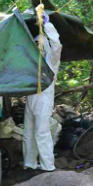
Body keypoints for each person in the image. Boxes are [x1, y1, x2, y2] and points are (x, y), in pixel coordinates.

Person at [22, 14, 62, 171]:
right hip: (31, 100)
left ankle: (48, 167)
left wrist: (48, 26)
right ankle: (29, 164)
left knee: (42, 133)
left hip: (43, 101)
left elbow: (57, 46)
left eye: (39, 44)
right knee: (28, 134)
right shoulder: (31, 63)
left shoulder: (52, 61)